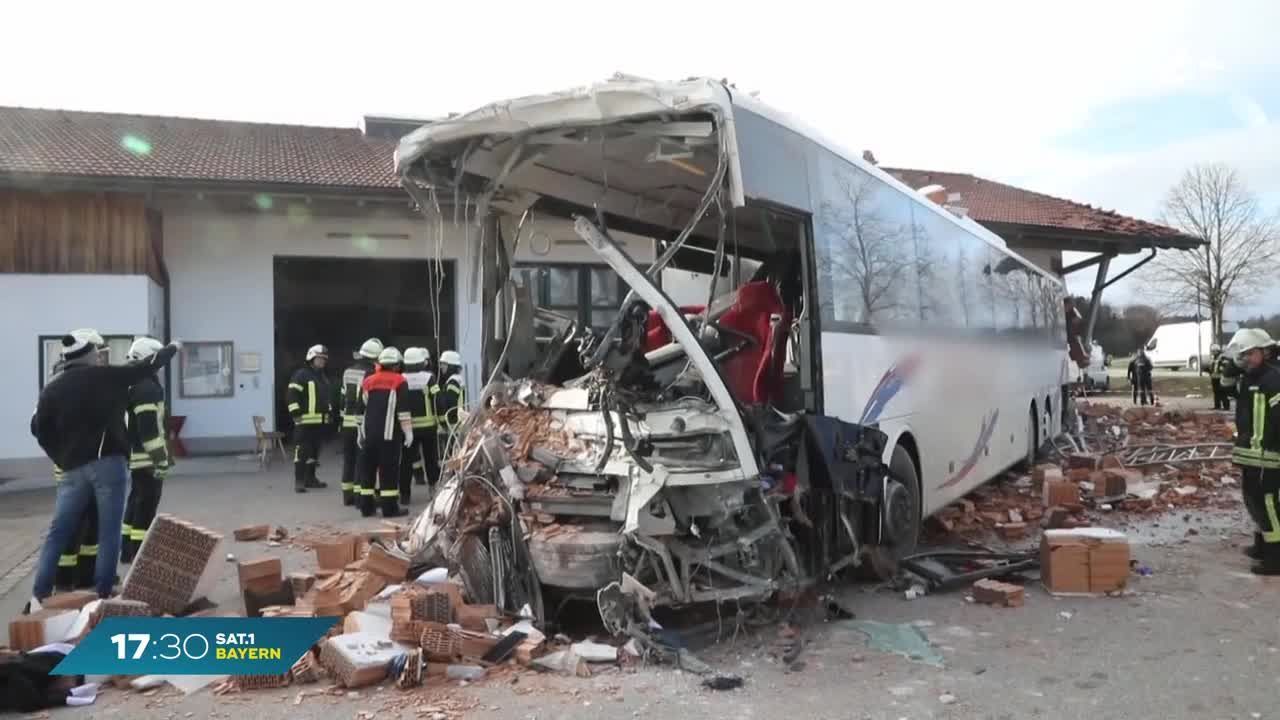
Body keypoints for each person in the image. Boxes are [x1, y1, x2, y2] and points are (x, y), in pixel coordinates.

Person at [29, 329, 179, 603]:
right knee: (109, 529)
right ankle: (104, 589)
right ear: (89, 356)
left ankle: (40, 593)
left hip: (72, 469)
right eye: (97, 353)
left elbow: (39, 429)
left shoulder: (53, 388)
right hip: (108, 464)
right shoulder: (104, 376)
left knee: (58, 531)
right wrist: (172, 348)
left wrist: (61, 456)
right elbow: (145, 366)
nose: (100, 356)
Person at [1226, 328, 1280, 575]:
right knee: (1253, 501)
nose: (1245, 358)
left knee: (1268, 503)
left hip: (1268, 454)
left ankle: (1276, 557)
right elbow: (1227, 390)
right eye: (1243, 354)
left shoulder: (1273, 378)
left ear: (1264, 351)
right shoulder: (1252, 377)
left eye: (1249, 353)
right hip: (1252, 453)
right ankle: (1262, 545)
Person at [120, 337, 171, 563]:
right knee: (146, 506)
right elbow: (149, 429)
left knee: (135, 502)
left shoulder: (135, 384)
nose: (160, 364)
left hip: (136, 457)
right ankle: (140, 553)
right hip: (147, 459)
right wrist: (160, 460)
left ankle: (127, 551)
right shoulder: (147, 388)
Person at [359, 347, 412, 518]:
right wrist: (408, 432)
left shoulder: (368, 381)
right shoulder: (400, 381)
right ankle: (389, 509)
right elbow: (403, 411)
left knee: (368, 471)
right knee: (388, 471)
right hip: (389, 437)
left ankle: (366, 508)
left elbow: (361, 409)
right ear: (396, 365)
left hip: (369, 434)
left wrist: (360, 433)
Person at [339, 338, 382, 507]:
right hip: (362, 423)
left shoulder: (347, 371)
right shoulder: (372, 374)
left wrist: (342, 419)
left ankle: (347, 495)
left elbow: (343, 398)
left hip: (347, 422)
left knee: (349, 460)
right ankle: (359, 497)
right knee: (362, 461)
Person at [287, 344, 332, 493]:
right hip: (304, 422)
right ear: (311, 358)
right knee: (302, 453)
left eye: (324, 359)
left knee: (314, 454)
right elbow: (292, 395)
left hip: (319, 422)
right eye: (319, 359)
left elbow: (325, 399)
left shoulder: (323, 378)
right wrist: (296, 414)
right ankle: (299, 482)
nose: (322, 362)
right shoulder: (301, 375)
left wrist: (329, 414)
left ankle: (310, 479)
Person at [400, 347, 438, 505]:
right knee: (431, 459)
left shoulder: (400, 378)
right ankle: (433, 490)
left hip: (408, 427)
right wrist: (441, 421)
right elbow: (437, 399)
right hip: (428, 427)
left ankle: (405, 494)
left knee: (406, 461)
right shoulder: (429, 377)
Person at [431, 350, 466, 455]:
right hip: (457, 425)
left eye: (444, 364)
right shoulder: (457, 379)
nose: (441, 367)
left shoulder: (453, 382)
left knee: (453, 456)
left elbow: (450, 404)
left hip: (453, 426)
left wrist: (445, 424)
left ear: (451, 366)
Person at [1210, 344, 1235, 411]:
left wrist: (1221, 371)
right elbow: (1212, 367)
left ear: (1217, 351)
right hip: (1214, 377)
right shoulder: (1213, 357)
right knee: (1216, 392)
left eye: (1213, 351)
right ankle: (1217, 405)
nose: (1212, 352)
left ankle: (1226, 406)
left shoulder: (1222, 357)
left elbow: (1225, 366)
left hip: (1220, 377)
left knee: (1223, 392)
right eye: (1212, 351)